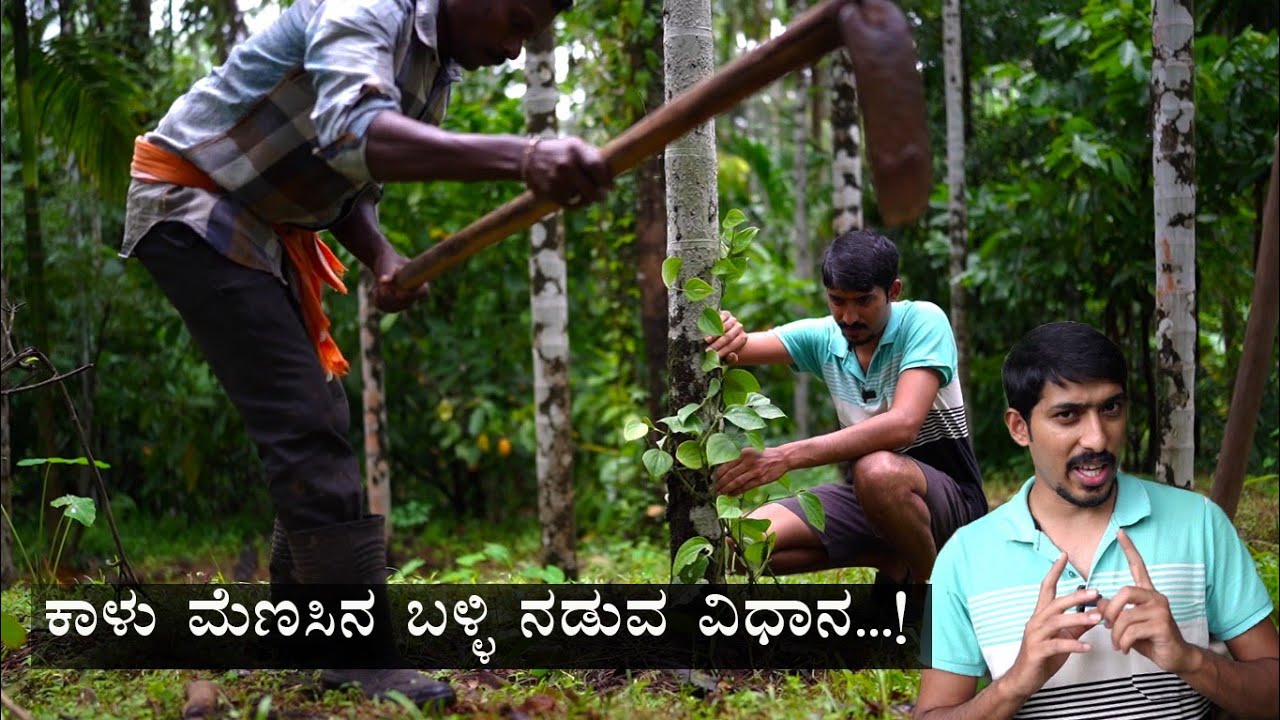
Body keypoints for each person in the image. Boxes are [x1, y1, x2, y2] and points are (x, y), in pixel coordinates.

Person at [121, 0, 611, 706]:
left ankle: (301, 630)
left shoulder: (434, 69)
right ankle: (360, 656)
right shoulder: (368, 8)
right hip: (195, 200)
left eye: (529, 37)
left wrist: (380, 255)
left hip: (268, 222)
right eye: (515, 20)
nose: (512, 48)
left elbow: (351, 185)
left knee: (317, 412)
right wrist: (524, 155)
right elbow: (356, 135)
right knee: (303, 422)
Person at [915, 322, 1279, 719]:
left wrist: (1190, 660)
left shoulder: (1200, 523)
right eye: (1068, 415)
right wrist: (1014, 684)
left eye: (1110, 408)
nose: (1097, 439)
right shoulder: (962, 558)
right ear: (1020, 428)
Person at [706, 229, 986, 583]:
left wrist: (785, 457)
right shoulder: (826, 338)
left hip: (951, 504)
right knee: (733, 544)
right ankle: (888, 556)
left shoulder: (924, 321)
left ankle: (931, 592)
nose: (849, 316)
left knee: (876, 471)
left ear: (893, 292)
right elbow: (734, 349)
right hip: (868, 502)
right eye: (838, 300)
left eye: (864, 301)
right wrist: (720, 327)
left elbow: (903, 425)